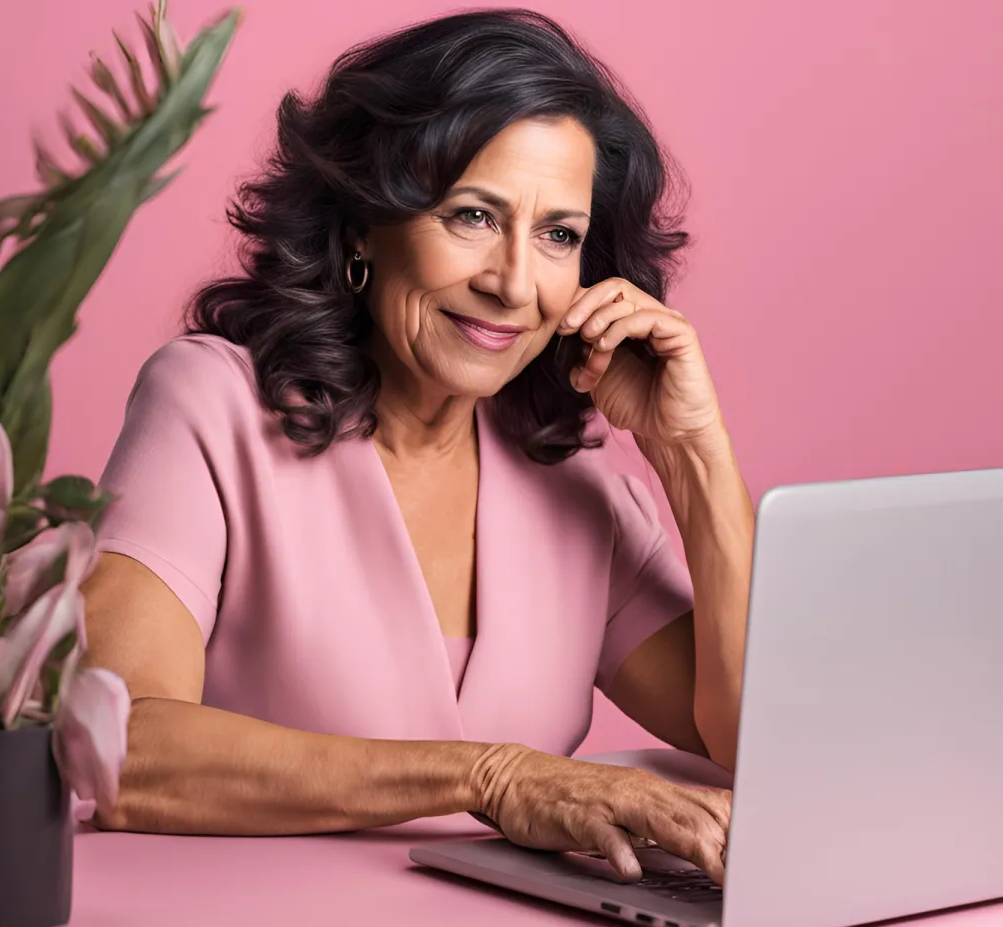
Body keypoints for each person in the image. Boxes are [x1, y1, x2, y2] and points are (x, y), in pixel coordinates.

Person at [81, 8, 753, 884]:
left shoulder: (581, 490)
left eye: (558, 235)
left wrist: (693, 453)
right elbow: (121, 746)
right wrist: (490, 775)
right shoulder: (209, 406)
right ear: (365, 221)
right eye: (472, 215)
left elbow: (754, 743)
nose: (513, 282)